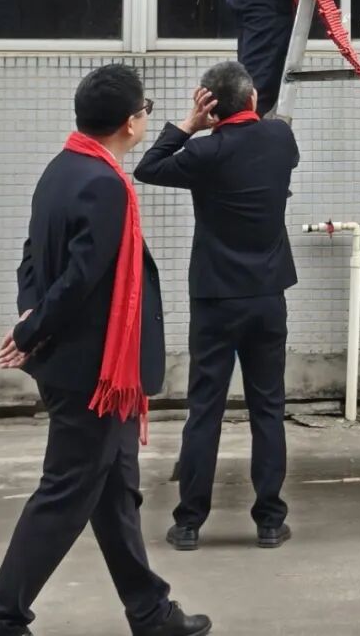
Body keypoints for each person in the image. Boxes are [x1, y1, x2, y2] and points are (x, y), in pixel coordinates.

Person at [0, 65, 209, 636]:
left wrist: (30, 313)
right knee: (64, 496)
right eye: (145, 110)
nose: (146, 118)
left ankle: (151, 613)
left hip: (91, 369)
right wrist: (30, 330)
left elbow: (32, 257)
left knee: (115, 494)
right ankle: (2, 620)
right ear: (131, 123)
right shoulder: (105, 184)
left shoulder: (62, 168)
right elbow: (79, 279)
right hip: (94, 373)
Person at [134, 61, 300, 551]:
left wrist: (189, 125)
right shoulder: (281, 140)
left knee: (204, 409)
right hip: (267, 296)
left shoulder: (203, 152)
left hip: (215, 299)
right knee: (268, 408)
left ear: (209, 107)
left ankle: (189, 523)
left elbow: (147, 168)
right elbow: (272, 144)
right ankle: (270, 521)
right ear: (252, 100)